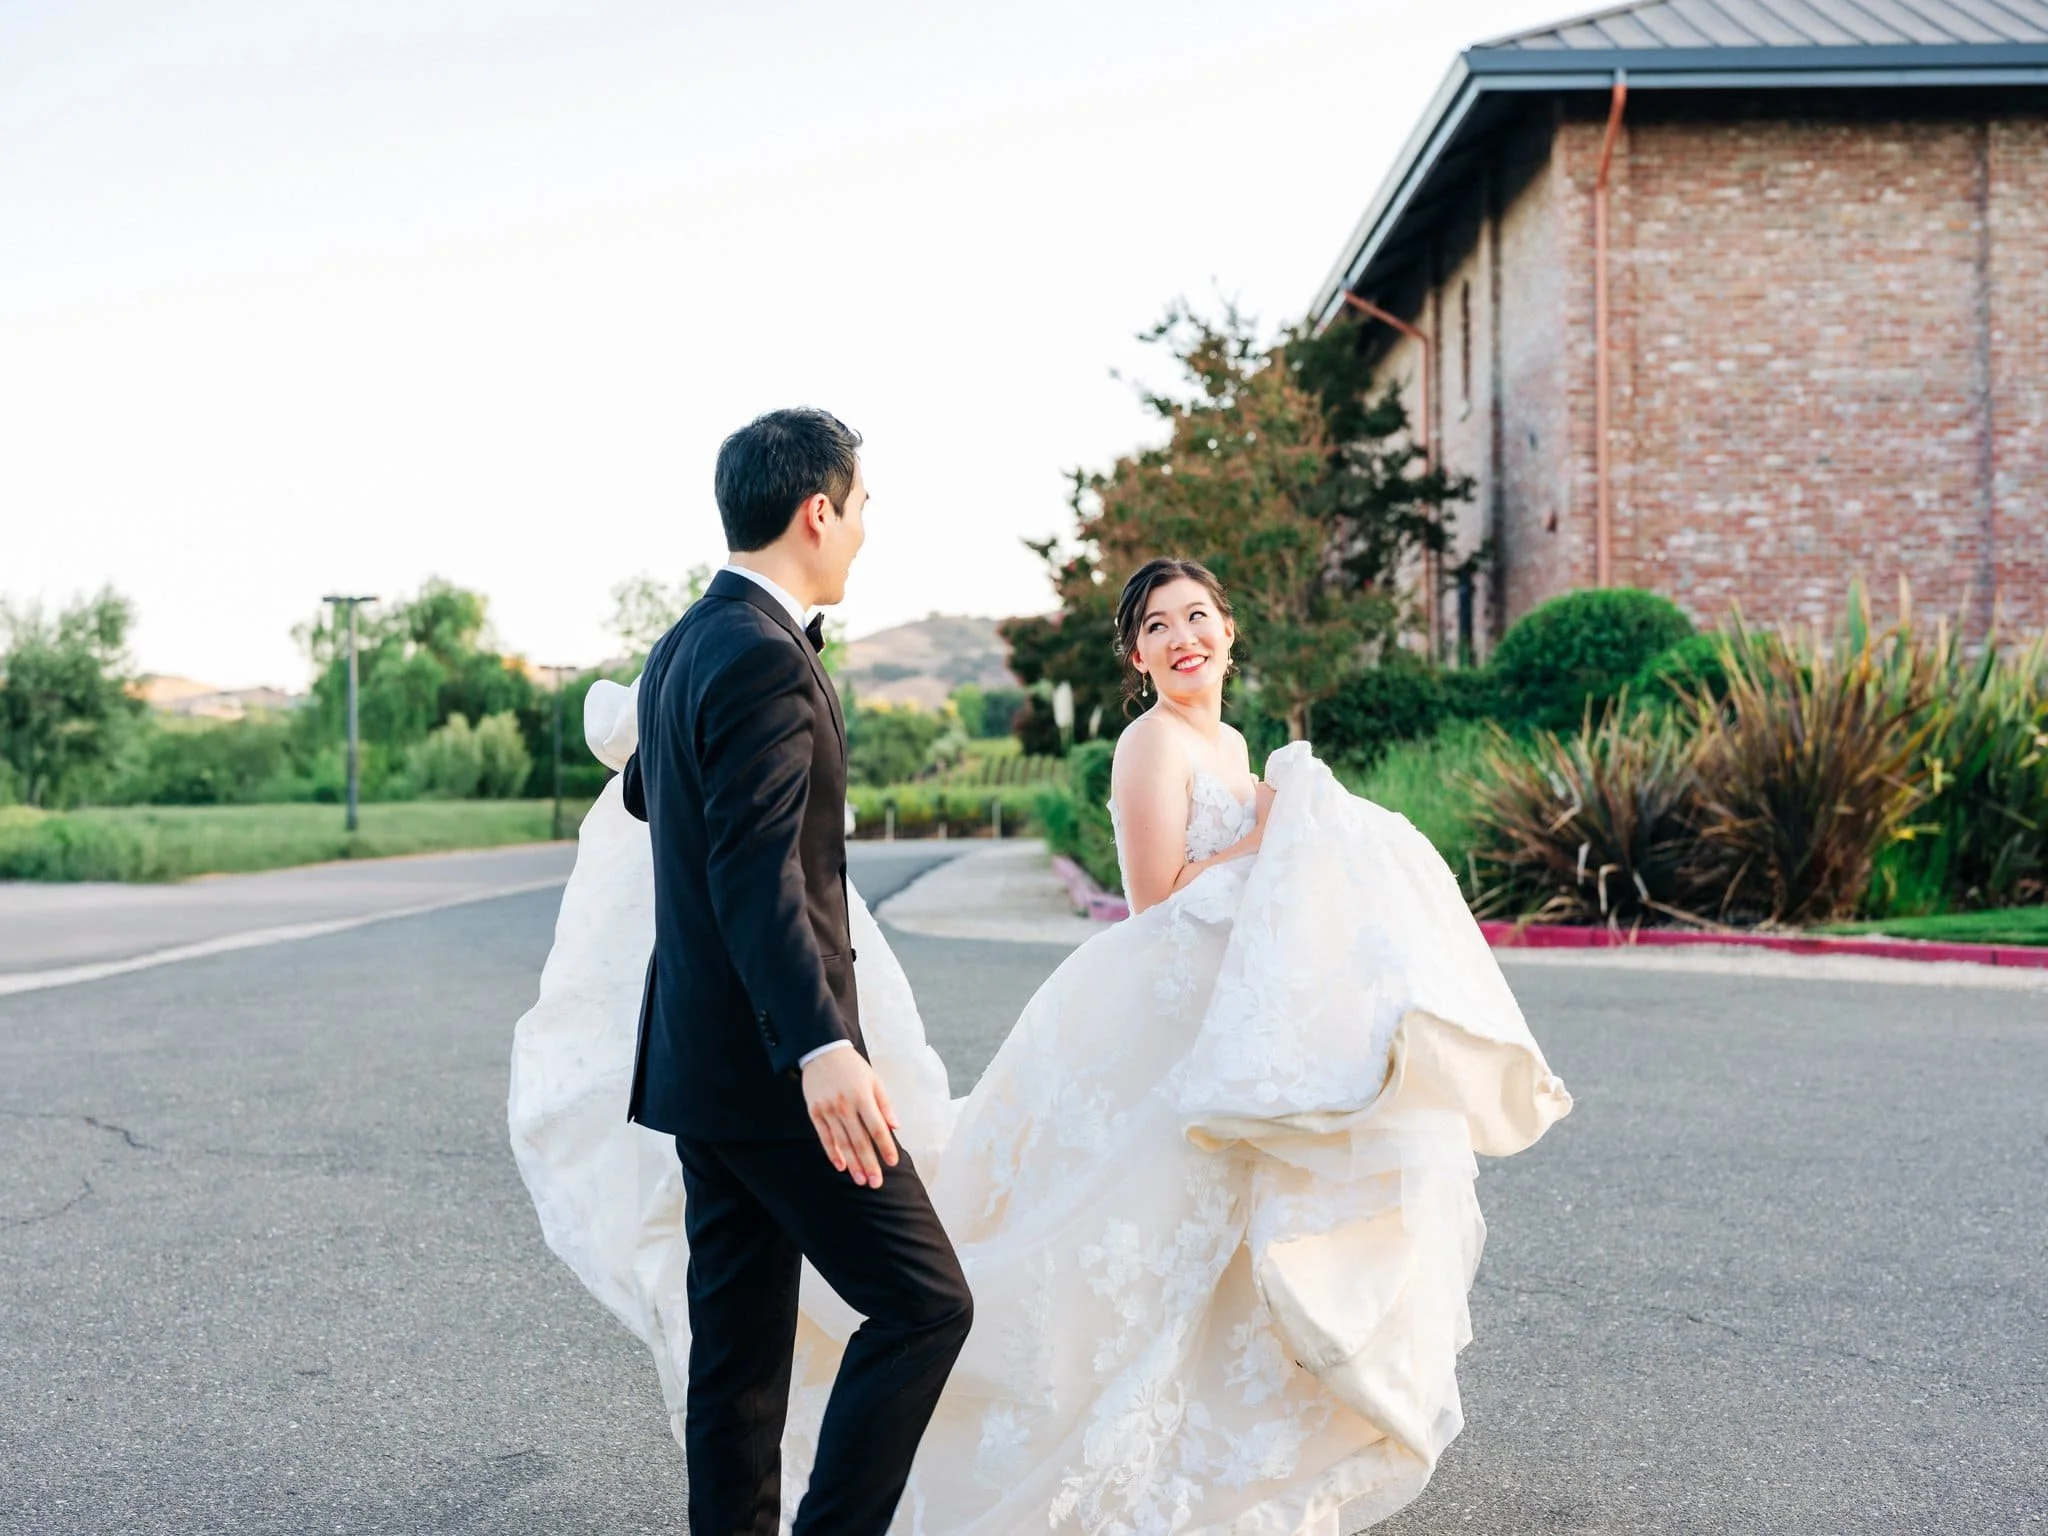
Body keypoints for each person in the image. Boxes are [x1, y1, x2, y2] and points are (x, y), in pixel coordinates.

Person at [510, 551, 1572, 1533]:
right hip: (1133, 1022)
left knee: (1200, 1252)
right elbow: (1153, 895)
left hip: (1211, 1020)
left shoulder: (1237, 747)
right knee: (1032, 1267)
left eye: (1196, 616)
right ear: (1134, 656)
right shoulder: (1147, 742)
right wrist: (1266, 837)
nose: (1180, 636)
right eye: (1157, 625)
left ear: (1229, 631)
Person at [604, 406, 972, 1535]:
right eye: (860, 510)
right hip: (776, 1072)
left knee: (739, 1362)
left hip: (698, 1068)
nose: (863, 532)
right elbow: (758, 874)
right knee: (924, 1306)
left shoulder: (681, 646)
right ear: (818, 511)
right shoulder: (761, 658)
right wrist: (821, 1046)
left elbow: (654, 801)